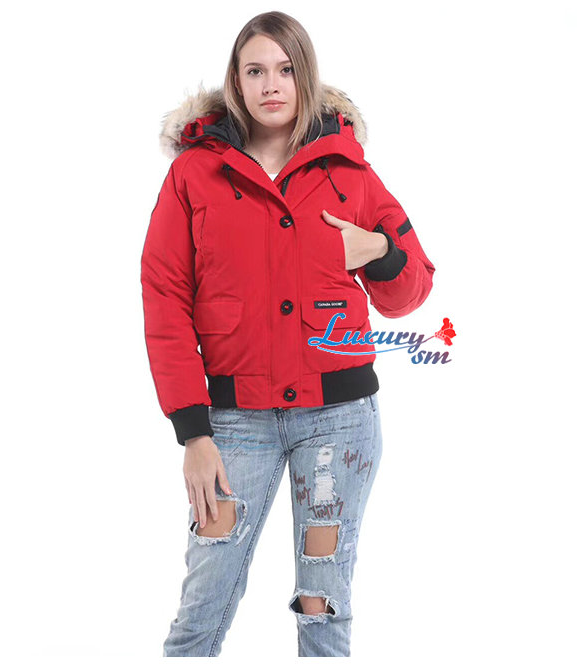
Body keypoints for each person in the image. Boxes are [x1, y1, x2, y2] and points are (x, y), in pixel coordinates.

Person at [140, 10, 435, 657]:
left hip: (339, 419)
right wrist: (193, 430)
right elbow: (164, 298)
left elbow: (411, 289)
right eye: (255, 71)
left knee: (323, 602)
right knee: (203, 601)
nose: (271, 84)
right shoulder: (195, 174)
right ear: (236, 81)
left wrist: (378, 249)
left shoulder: (349, 173)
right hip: (232, 421)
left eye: (285, 69)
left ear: (306, 77)